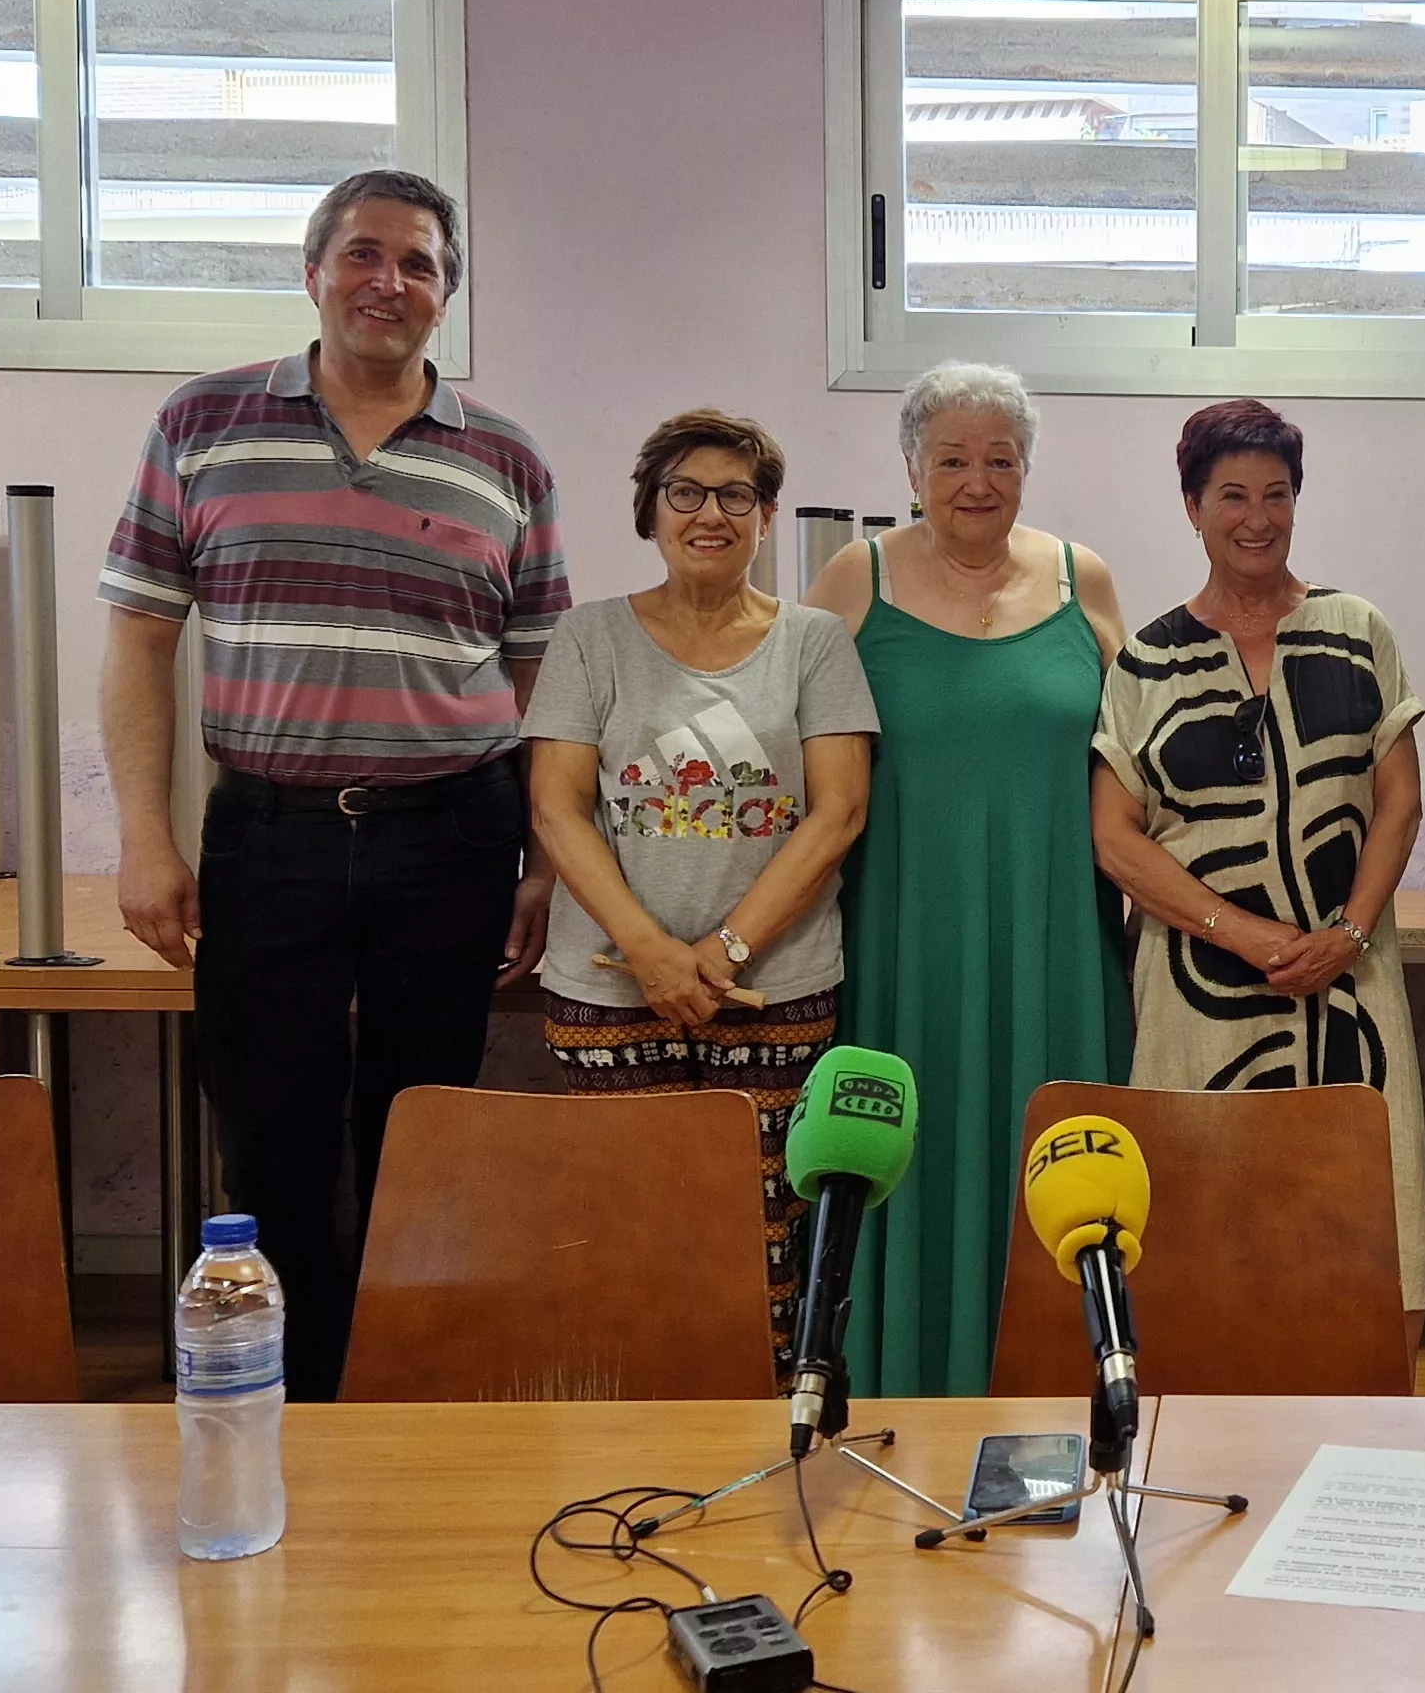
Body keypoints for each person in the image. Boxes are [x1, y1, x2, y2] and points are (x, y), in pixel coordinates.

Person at [98, 169, 568, 1402]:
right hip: (269, 836)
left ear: (445, 295)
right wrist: (146, 842)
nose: (388, 283)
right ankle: (287, 1411)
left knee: (426, 1140)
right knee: (274, 1146)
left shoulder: (505, 459)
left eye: (418, 264)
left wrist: (543, 862)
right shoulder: (202, 425)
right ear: (312, 273)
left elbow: (545, 684)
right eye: (364, 254)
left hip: (453, 839)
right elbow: (140, 641)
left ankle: (406, 1402)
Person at [523, 411, 877, 1369]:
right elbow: (559, 811)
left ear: (766, 516)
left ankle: (759, 1444)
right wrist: (648, 950)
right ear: (650, 512)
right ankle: (627, 1443)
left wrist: (719, 956)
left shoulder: (815, 642)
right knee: (621, 1229)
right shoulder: (589, 637)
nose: (709, 513)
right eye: (685, 493)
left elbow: (837, 813)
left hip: (778, 989)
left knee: (768, 1241)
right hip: (608, 992)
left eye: (735, 495)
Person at [803, 361, 1129, 1399]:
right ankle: (901, 1393)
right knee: (910, 1159)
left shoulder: (1089, 579)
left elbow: (1144, 753)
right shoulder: (856, 579)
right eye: (951, 459)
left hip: (1057, 942)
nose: (976, 481)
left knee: (1064, 1166)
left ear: (1027, 468)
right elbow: (794, 753)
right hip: (906, 939)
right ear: (911, 467)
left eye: (1000, 458)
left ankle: (1071, 1399)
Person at [1090, 400, 1425, 1350]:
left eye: (1276, 495)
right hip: (1199, 1001)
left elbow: (1397, 799)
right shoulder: (1147, 660)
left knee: (1371, 1223)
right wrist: (1242, 934)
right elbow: (1116, 837)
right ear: (1192, 506)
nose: (1256, 517)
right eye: (1231, 495)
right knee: (1204, 1234)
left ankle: (1370, 1449)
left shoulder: (1356, 629)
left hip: (1349, 988)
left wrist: (1353, 933)